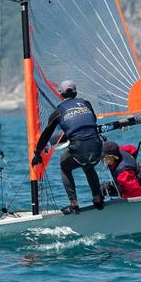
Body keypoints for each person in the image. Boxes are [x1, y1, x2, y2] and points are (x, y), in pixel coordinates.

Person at [31, 80, 104, 215]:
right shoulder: (86, 103)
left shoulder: (58, 111)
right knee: (88, 165)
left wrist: (37, 154)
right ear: (75, 93)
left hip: (80, 149)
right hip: (98, 147)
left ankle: (74, 204)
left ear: (61, 95)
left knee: (64, 165)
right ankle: (98, 198)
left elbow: (46, 135)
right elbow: (90, 121)